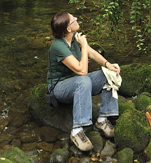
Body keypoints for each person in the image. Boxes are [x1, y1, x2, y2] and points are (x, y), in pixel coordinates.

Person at [47, 11, 121, 152]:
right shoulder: (58, 46)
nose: (76, 18)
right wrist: (84, 46)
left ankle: (102, 119)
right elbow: (82, 71)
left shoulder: (74, 37)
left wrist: (108, 64)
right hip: (60, 88)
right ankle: (77, 130)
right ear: (68, 29)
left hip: (78, 82)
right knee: (83, 80)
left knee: (108, 74)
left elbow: (92, 54)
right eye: (73, 19)